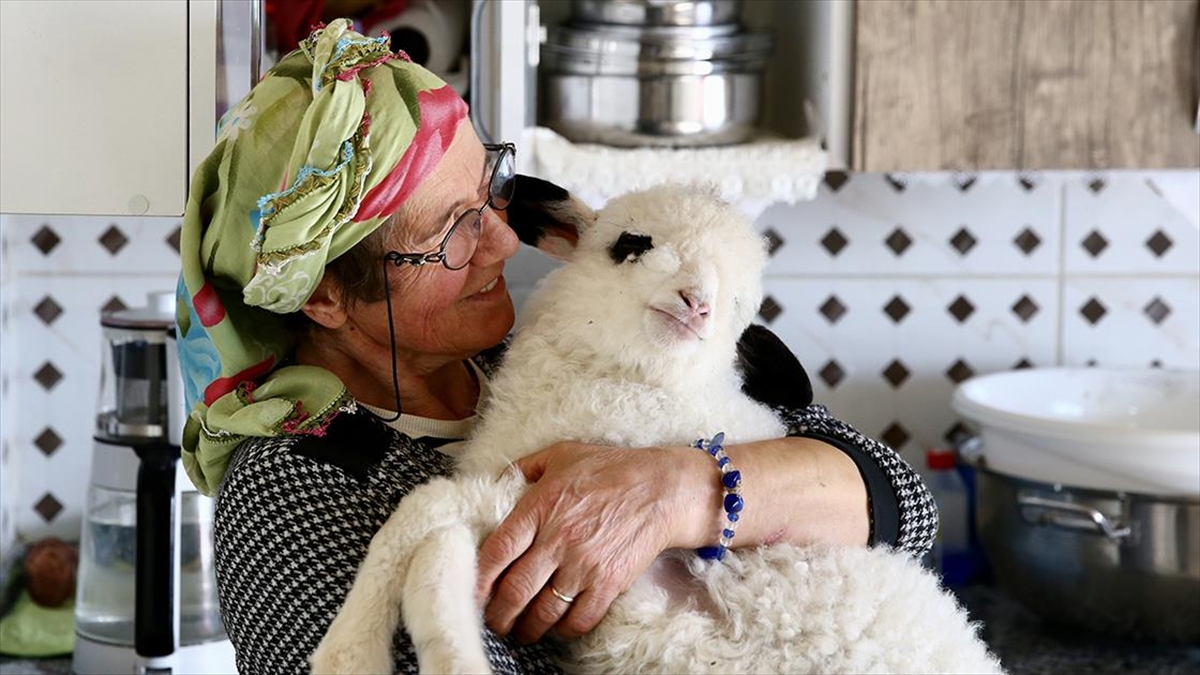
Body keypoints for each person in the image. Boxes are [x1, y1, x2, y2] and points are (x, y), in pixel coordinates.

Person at [176, 20, 937, 675]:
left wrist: (675, 491)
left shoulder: (539, 354)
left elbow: (900, 505)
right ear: (323, 295)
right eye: (451, 232)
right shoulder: (290, 493)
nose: (505, 240)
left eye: (491, 190)